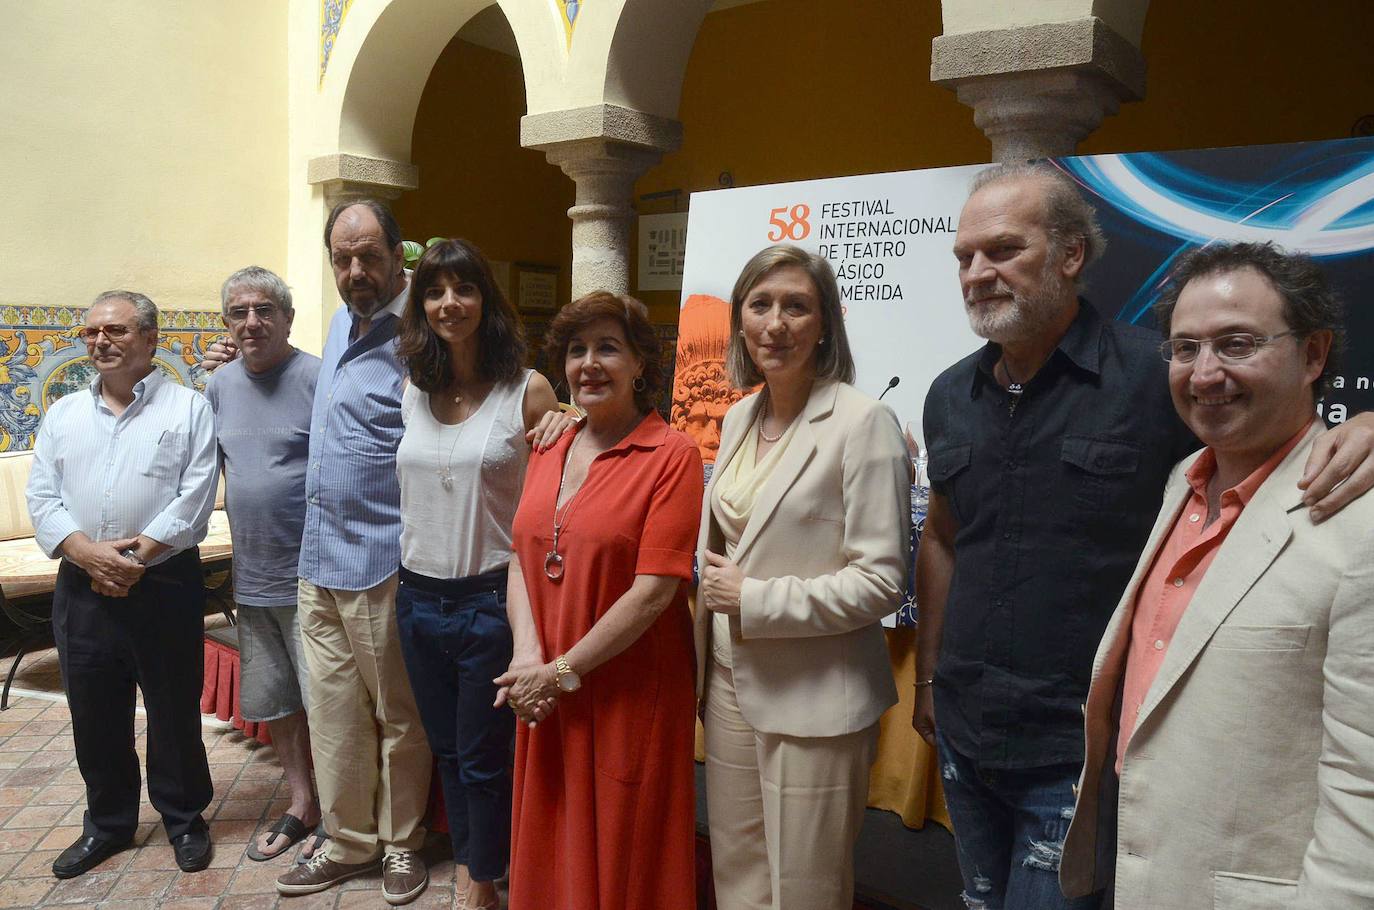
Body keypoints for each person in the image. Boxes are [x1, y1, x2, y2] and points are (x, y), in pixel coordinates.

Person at [914, 162, 1374, 910]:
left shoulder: (1154, 379)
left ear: (1071, 254)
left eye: (1003, 250)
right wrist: (929, 680)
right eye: (964, 257)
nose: (977, 273)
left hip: (1078, 755)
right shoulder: (947, 395)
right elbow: (942, 535)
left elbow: (1269, 451)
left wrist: (1362, 427)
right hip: (965, 735)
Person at [1060, 242, 1374, 909]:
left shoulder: (1361, 521)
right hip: (1141, 868)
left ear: (1313, 355)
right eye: (1186, 349)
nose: (1205, 374)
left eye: (1237, 344)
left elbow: (1364, 786)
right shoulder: (1184, 479)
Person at [696, 244, 911, 910]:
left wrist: (754, 599)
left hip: (816, 694)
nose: (775, 323)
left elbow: (882, 581)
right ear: (739, 321)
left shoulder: (863, 422)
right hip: (728, 681)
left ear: (824, 324)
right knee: (737, 873)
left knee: (806, 888)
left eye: (796, 306)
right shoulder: (740, 416)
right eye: (759, 305)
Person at [498, 291, 703, 910]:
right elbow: (521, 555)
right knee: (552, 832)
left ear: (640, 362)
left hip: (626, 689)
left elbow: (653, 593)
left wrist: (560, 672)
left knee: (623, 849)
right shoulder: (548, 445)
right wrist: (530, 658)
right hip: (548, 683)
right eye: (576, 350)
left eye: (608, 348)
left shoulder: (672, 455)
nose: (588, 363)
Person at [26, 291, 218, 878]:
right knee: (94, 710)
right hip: (82, 585)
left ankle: (184, 818)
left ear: (151, 339)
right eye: (91, 332)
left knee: (172, 707)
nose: (100, 341)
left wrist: (135, 558)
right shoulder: (64, 414)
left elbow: (197, 494)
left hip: (164, 583)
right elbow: (43, 498)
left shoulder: (188, 408)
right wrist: (89, 555)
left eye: (116, 330)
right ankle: (108, 824)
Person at [392, 239, 558, 910]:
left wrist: (569, 422)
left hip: (490, 598)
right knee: (447, 752)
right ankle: (476, 867)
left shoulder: (528, 390)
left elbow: (565, 488)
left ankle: (478, 882)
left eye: (464, 288)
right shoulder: (413, 388)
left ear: (486, 299)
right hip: (415, 596)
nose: (449, 303)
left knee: (484, 756)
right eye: (434, 291)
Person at [204, 266, 322, 863]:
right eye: (239, 312)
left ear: (288, 318)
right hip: (251, 578)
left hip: (317, 579)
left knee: (328, 702)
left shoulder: (319, 378)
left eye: (264, 310)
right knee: (278, 699)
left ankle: (346, 810)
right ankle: (303, 802)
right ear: (227, 323)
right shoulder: (219, 385)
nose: (251, 323)